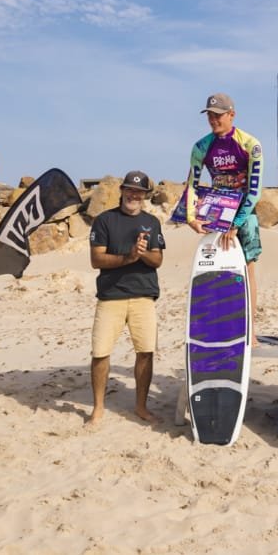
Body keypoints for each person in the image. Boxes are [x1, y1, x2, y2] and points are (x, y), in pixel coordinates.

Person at [87, 170, 165, 426]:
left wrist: (142, 254)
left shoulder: (152, 223)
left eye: (139, 192)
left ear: (144, 196)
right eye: (130, 190)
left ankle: (141, 406)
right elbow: (96, 259)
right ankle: (98, 408)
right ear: (121, 191)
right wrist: (128, 257)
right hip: (110, 297)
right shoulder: (104, 220)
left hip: (143, 296)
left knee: (145, 352)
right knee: (100, 353)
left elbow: (158, 260)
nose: (134, 195)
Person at [186, 92, 263, 339]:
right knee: (217, 268)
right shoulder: (201, 146)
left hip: (244, 214)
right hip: (217, 213)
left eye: (218, 115)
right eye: (210, 115)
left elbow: (255, 190)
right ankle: (221, 325)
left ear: (232, 115)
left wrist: (237, 224)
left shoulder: (250, 144)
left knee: (247, 268)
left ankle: (250, 330)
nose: (213, 119)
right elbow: (191, 185)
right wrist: (190, 217)